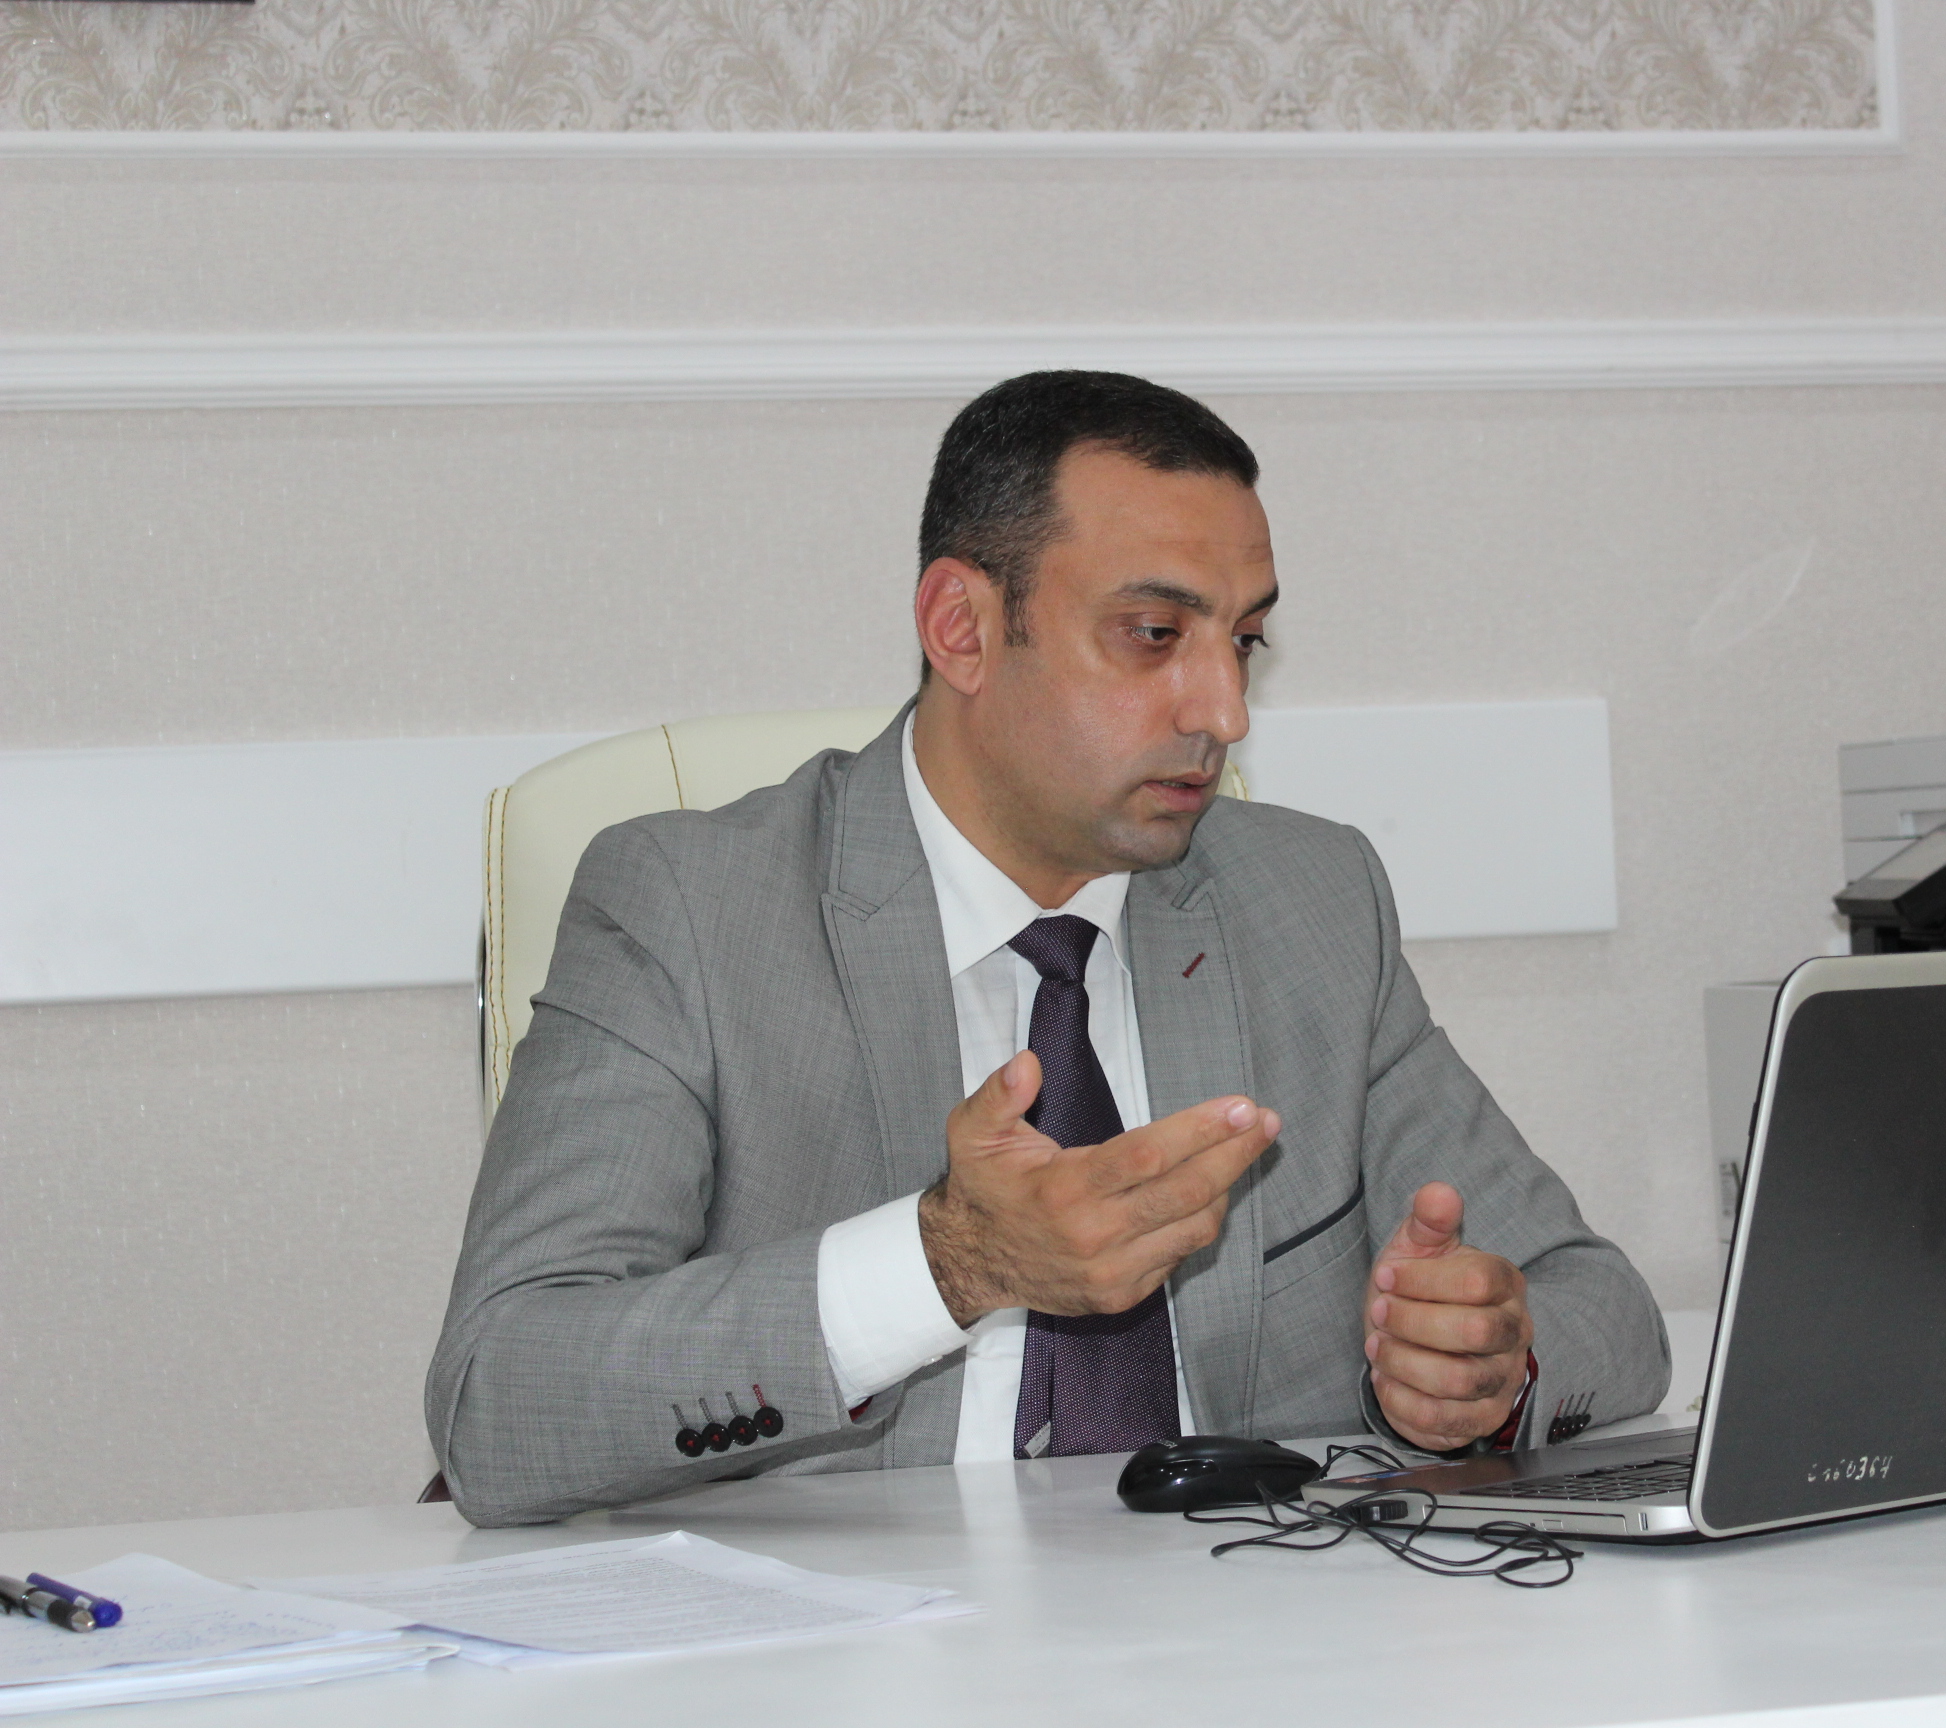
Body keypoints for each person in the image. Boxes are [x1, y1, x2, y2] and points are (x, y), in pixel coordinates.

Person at [427, 371, 1667, 1526]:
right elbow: (498, 1400)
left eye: (1243, 641)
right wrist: (945, 1263)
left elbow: (1605, 1309)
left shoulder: (1310, 903)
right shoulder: (690, 910)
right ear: (962, 628)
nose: (1225, 711)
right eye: (1154, 634)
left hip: (1256, 1631)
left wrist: (1486, 1368)